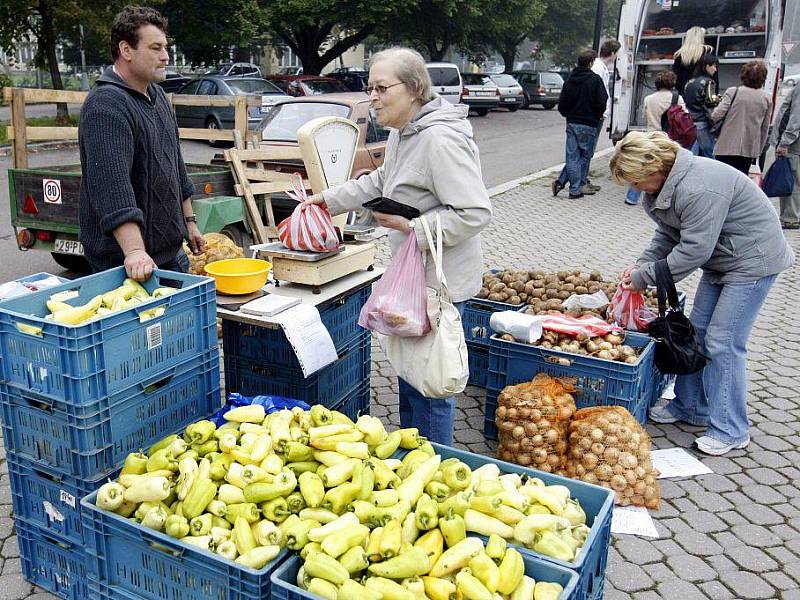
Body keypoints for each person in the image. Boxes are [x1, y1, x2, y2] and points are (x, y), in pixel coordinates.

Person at [303, 47, 492, 445]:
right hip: (411, 280)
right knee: (409, 374)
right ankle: (413, 451)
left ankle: (435, 462)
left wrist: (414, 226)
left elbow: (475, 213)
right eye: (369, 87)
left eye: (381, 87)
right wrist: (328, 199)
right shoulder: (401, 133)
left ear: (415, 89)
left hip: (440, 284)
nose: (372, 96)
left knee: (433, 384)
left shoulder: (440, 140)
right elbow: (380, 182)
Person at [611, 131, 794, 456]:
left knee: (724, 343)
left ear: (653, 170)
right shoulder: (664, 188)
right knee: (697, 334)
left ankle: (731, 430)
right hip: (723, 258)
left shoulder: (699, 187)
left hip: (753, 260)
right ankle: (691, 406)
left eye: (635, 181)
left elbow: (695, 248)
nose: (634, 189)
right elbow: (668, 234)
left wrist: (646, 277)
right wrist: (640, 266)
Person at [79, 6, 204, 280]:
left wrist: (190, 222)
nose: (165, 56)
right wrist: (134, 250)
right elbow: (112, 187)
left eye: (165, 47)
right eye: (156, 48)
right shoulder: (106, 105)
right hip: (126, 265)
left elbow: (176, 167)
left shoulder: (158, 97)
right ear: (126, 50)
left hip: (171, 254)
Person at [551, 49, 608, 199]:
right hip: (589, 124)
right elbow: (602, 101)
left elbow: (562, 104)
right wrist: (596, 116)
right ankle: (574, 189)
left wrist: (569, 115)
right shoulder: (595, 80)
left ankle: (563, 182)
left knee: (572, 156)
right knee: (584, 156)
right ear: (590, 63)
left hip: (572, 123)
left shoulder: (569, 81)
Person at [625, 70, 688, 206]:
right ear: (672, 83)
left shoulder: (649, 98)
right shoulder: (677, 99)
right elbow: (683, 117)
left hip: (651, 138)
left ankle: (631, 197)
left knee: (642, 167)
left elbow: (644, 116)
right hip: (669, 140)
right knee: (668, 170)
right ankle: (664, 200)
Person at [711, 60, 771, 175]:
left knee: (722, 177)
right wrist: (759, 150)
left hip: (726, 145)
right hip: (749, 148)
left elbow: (716, 115)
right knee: (740, 180)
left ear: (744, 75)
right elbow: (765, 127)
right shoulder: (767, 98)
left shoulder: (733, 92)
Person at [771, 72, 800, 229]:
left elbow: (796, 117)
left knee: (792, 180)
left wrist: (785, 142)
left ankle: (790, 218)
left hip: (794, 144)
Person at [683, 54, 720, 158]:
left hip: (689, 124)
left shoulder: (689, 82)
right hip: (703, 123)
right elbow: (711, 104)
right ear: (707, 66)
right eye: (714, 66)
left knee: (691, 156)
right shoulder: (709, 83)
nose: (715, 69)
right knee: (709, 156)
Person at [672, 26, 715, 95]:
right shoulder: (708, 51)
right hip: (704, 90)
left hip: (685, 91)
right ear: (701, 37)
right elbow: (713, 74)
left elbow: (676, 77)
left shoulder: (679, 54)